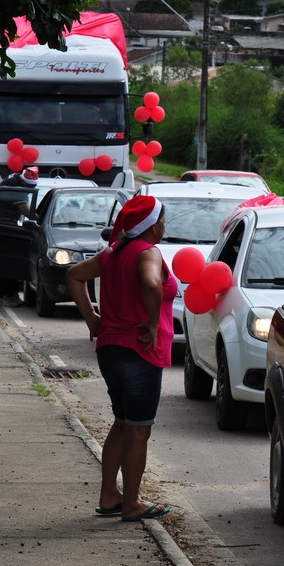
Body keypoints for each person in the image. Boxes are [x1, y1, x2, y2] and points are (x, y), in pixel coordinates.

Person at [66, 195, 175, 521]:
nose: (164, 226)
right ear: (154, 225)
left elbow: (73, 274)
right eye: (162, 220)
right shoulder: (148, 252)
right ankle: (132, 503)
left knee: (123, 423)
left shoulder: (111, 253)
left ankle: (110, 495)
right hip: (139, 352)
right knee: (139, 430)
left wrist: (91, 317)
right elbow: (151, 282)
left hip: (110, 349)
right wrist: (154, 323)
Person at [0, 166, 39, 306]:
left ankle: (10, 294)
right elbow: (26, 210)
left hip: (6, 225)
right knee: (6, 262)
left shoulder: (15, 182)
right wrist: (40, 219)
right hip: (0, 226)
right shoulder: (14, 187)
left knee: (9, 262)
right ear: (25, 182)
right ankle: (4, 296)